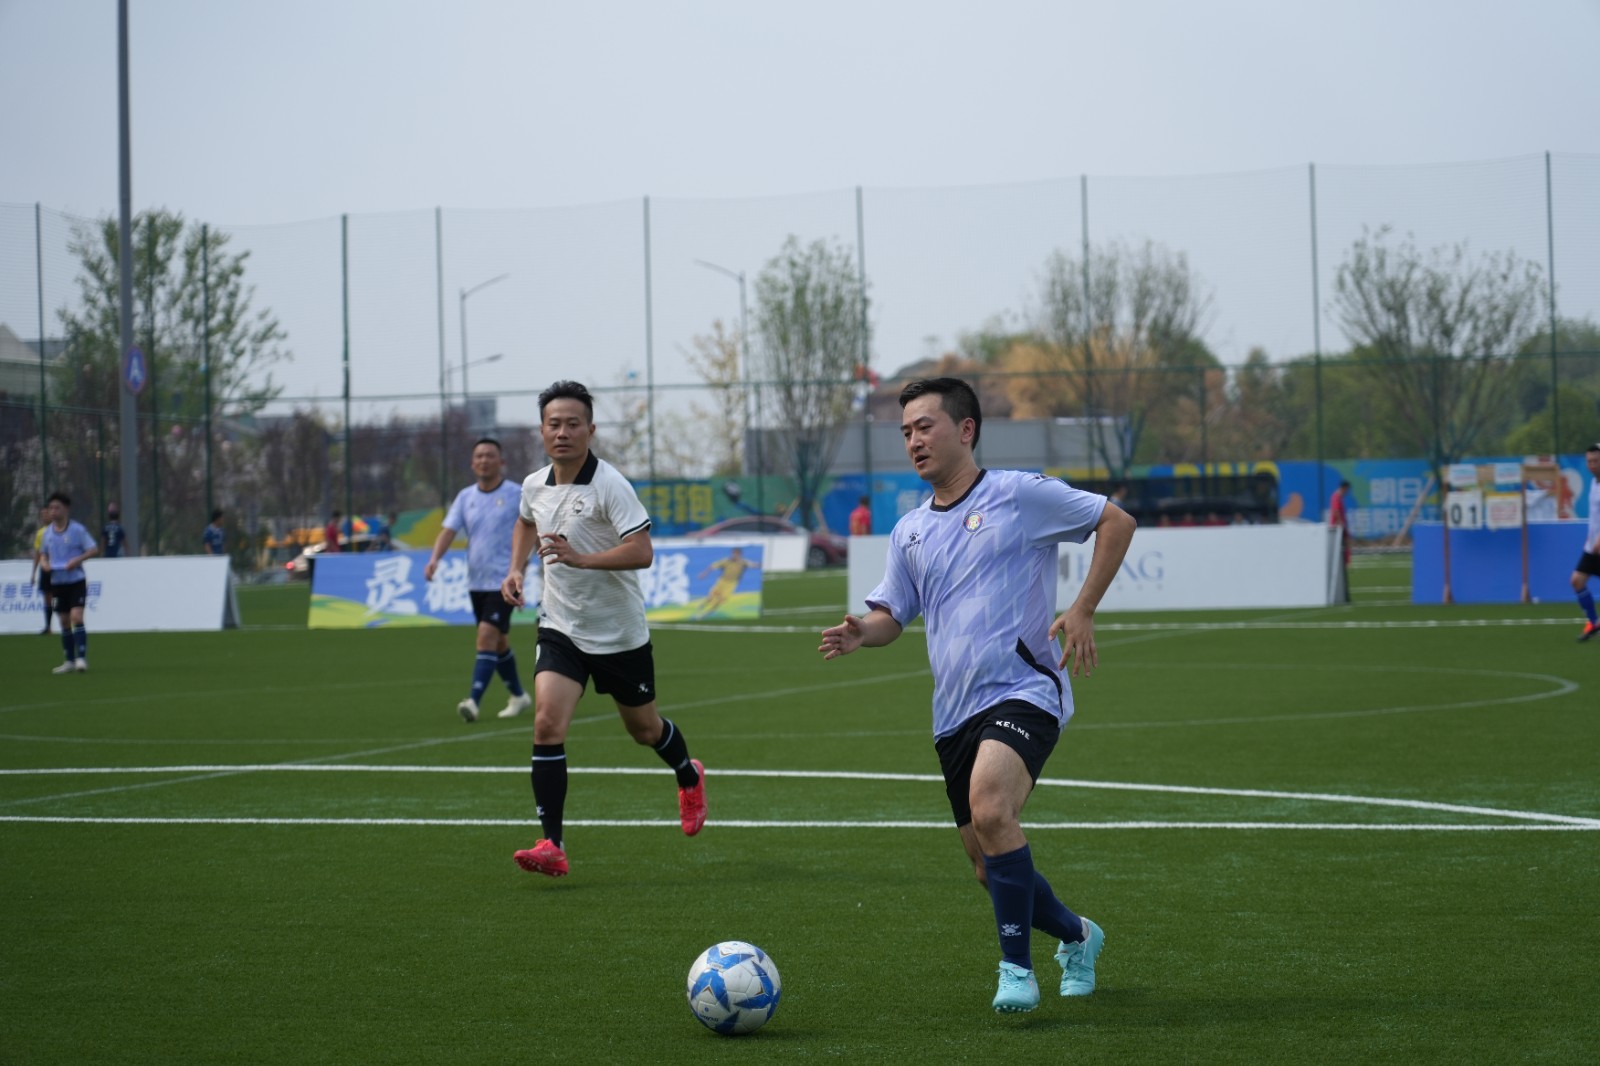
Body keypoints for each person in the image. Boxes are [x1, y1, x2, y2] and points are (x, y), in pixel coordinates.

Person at [817, 377, 1135, 1015]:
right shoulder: (909, 531)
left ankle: (1016, 972)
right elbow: (891, 615)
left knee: (991, 809)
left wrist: (1082, 608)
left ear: (966, 430)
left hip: (1025, 690)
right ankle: (1077, 935)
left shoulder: (1018, 494)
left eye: (925, 426)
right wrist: (861, 633)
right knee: (989, 866)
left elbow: (1115, 521)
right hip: (953, 715)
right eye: (905, 431)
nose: (914, 440)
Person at [501, 379, 706, 879]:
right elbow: (525, 521)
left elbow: (642, 551)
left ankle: (688, 773)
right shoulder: (533, 485)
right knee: (547, 724)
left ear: (590, 430)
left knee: (644, 730)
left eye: (573, 424)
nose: (563, 432)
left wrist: (580, 558)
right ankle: (552, 844)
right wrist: (516, 569)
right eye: (554, 424)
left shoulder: (610, 484)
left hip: (618, 634)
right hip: (560, 627)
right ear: (542, 430)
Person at [425, 437, 533, 723]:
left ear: (501, 462)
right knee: (498, 642)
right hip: (476, 583)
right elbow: (449, 530)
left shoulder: (517, 494)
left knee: (486, 635)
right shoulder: (465, 497)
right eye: (479, 456)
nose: (484, 460)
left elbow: (531, 529)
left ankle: (473, 701)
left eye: (489, 455)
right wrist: (435, 559)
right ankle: (518, 695)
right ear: (473, 464)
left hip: (504, 581)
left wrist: (521, 569)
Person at [37, 492, 100, 674]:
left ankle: (81, 658)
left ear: (66, 509)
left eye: (57, 507)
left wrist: (77, 560)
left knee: (76, 617)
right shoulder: (47, 533)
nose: (53, 511)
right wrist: (44, 563)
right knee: (64, 621)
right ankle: (69, 661)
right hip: (57, 582)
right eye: (51, 508)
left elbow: (93, 549)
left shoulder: (77, 530)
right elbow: (43, 554)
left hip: (76, 580)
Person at [1572, 443, 1600, 643]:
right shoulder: (1593, 483)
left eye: (1596, 461)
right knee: (1577, 581)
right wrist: (1590, 538)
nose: (1592, 465)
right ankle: (1594, 623)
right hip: (1592, 546)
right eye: (1589, 461)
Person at [693, 546, 758, 619]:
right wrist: (703, 573)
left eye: (737, 554)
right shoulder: (725, 561)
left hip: (731, 584)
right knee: (711, 597)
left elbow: (753, 565)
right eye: (734, 553)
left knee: (720, 601)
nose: (735, 555)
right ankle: (701, 606)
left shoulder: (744, 562)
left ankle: (704, 614)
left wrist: (759, 565)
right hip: (722, 581)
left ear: (740, 554)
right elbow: (712, 566)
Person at [30, 506, 54, 635]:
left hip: (58, 568)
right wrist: (34, 572)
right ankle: (48, 626)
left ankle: (68, 623)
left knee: (62, 594)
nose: (45, 516)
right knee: (47, 597)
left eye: (46, 513)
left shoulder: (58, 529)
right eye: (42, 514)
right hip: (45, 568)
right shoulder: (40, 533)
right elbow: (38, 553)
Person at [1329, 480, 1353, 602]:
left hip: (1340, 530)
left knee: (1343, 558)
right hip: (1338, 531)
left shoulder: (1338, 497)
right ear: (1344, 488)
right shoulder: (1336, 497)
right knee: (1341, 559)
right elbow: (1335, 511)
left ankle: (1344, 592)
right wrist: (1340, 525)